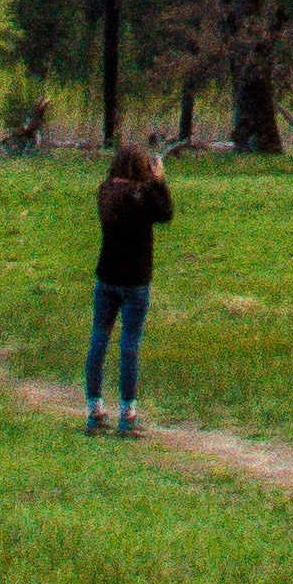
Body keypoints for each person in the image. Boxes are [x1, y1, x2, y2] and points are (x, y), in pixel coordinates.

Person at [84, 139, 173, 436]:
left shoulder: (105, 191)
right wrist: (160, 182)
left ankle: (95, 411)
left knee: (99, 339)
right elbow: (165, 213)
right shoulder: (141, 193)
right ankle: (128, 414)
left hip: (106, 275)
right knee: (129, 345)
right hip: (135, 280)